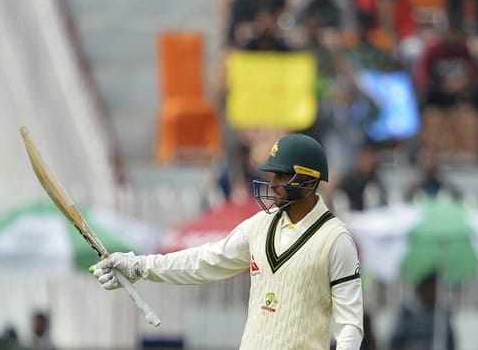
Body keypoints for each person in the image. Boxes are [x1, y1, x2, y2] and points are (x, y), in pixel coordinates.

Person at [93, 133, 364, 349]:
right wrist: (138, 266)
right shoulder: (259, 226)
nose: (272, 184)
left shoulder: (335, 239)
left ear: (307, 181)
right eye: (272, 175)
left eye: (282, 176)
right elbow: (203, 261)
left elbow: (350, 325)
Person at [389, 272, 456, 350]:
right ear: (421, 289)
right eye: (430, 287)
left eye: (436, 288)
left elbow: (451, 343)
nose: (434, 291)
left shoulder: (442, 316)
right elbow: (395, 342)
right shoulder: (407, 313)